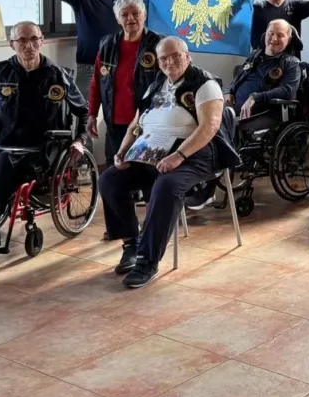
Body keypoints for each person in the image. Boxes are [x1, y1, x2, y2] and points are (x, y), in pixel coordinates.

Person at [98, 37, 239, 288]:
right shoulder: (156, 86)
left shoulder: (205, 84)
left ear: (188, 56)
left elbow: (210, 127)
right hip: (153, 152)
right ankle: (132, 243)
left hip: (197, 153)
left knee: (166, 185)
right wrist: (122, 153)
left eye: (175, 56)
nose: (169, 62)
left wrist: (179, 156)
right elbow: (136, 125)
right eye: (163, 58)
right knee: (109, 179)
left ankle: (148, 261)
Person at [0, 22, 88, 256]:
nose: (28, 45)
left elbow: (82, 110)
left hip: (37, 149)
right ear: (12, 45)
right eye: (22, 40)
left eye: (33, 39)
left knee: (5, 160)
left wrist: (80, 139)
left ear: (42, 41)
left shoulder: (57, 75)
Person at [47, 0, 122, 152]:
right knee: (82, 117)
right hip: (88, 70)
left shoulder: (122, 2)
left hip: (117, 70)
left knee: (116, 119)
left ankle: (114, 162)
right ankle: (81, 164)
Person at [88, 0, 163, 166]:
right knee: (113, 170)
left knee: (145, 171)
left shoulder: (159, 44)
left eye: (136, 13)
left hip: (149, 123)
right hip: (115, 122)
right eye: (124, 14)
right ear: (117, 19)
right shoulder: (107, 45)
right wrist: (92, 114)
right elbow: (97, 82)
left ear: (144, 15)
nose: (131, 18)